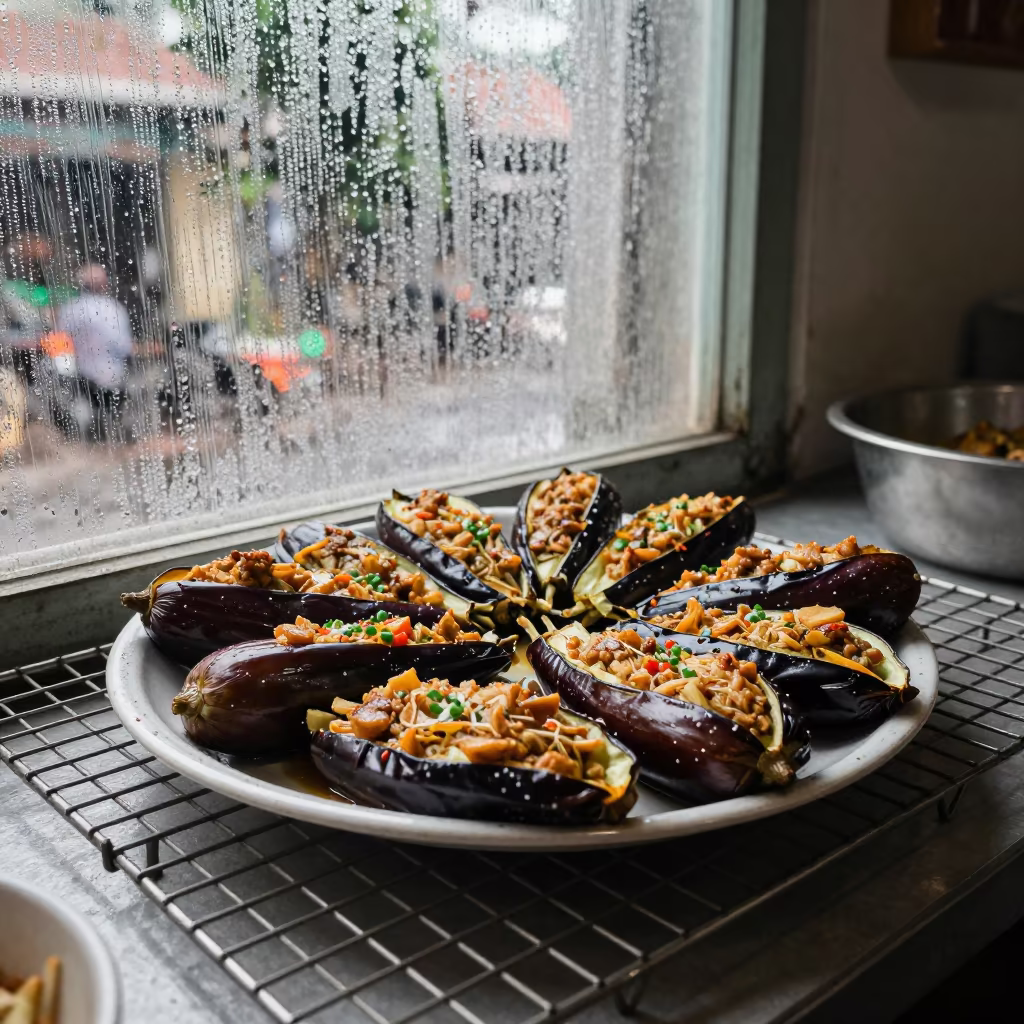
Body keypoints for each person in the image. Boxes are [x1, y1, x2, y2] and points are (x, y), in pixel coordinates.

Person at [54, 263, 134, 440]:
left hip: (81, 379)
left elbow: (61, 344)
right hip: (113, 378)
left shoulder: (70, 309)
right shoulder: (113, 309)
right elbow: (123, 346)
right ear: (104, 284)